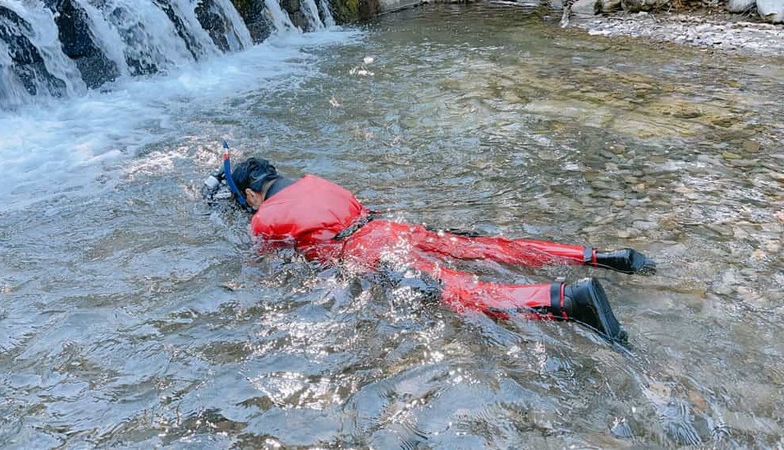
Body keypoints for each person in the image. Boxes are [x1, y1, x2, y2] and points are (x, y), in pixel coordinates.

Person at [212, 154, 656, 343]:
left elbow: (265, 264)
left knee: (459, 291)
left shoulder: (263, 217)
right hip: (386, 226)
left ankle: (568, 299)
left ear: (251, 195)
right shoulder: (315, 181)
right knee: (487, 247)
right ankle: (601, 256)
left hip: (366, 250)